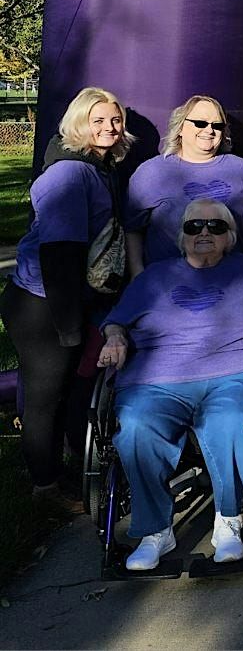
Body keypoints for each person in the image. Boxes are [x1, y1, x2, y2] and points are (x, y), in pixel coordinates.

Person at [97, 200, 243, 570]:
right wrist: (115, 338)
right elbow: (115, 321)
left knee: (230, 421)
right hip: (157, 378)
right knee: (137, 426)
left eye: (215, 227)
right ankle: (156, 530)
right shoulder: (153, 278)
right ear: (181, 236)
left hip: (233, 374)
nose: (204, 233)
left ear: (230, 237)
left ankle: (228, 523)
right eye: (194, 226)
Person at [1, 87, 132, 510]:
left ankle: (67, 469)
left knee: (65, 389)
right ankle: (45, 486)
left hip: (71, 296)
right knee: (45, 393)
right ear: (78, 124)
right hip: (43, 301)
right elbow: (60, 254)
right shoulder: (70, 175)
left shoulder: (97, 168)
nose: (109, 128)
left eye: (115, 120)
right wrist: (69, 327)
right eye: (98, 121)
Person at [126, 95, 243, 275]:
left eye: (217, 126)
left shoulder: (239, 168)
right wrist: (137, 273)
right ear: (180, 127)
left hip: (235, 282)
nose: (209, 130)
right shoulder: (151, 172)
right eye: (200, 123)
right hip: (170, 284)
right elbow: (132, 229)